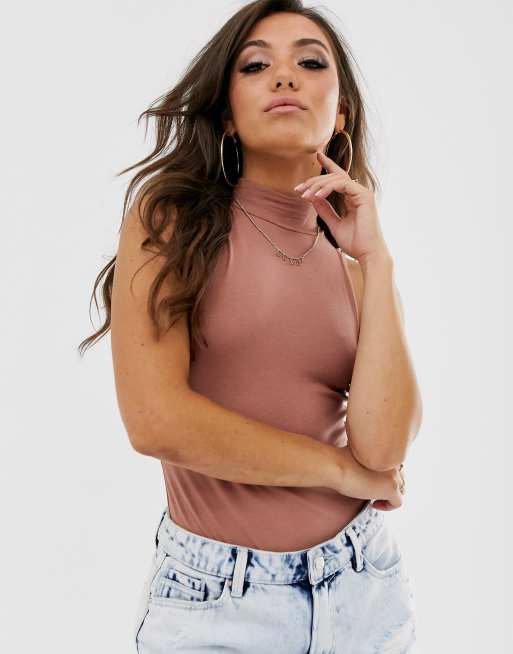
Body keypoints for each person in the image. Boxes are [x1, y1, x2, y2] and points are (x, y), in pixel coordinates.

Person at [78, 1, 423, 651]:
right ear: (227, 117)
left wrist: (377, 260)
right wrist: (341, 472)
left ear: (341, 114)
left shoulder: (356, 273)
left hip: (363, 587)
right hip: (219, 602)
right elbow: (155, 421)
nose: (285, 76)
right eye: (256, 65)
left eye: (310, 63)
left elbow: (383, 452)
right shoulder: (171, 223)